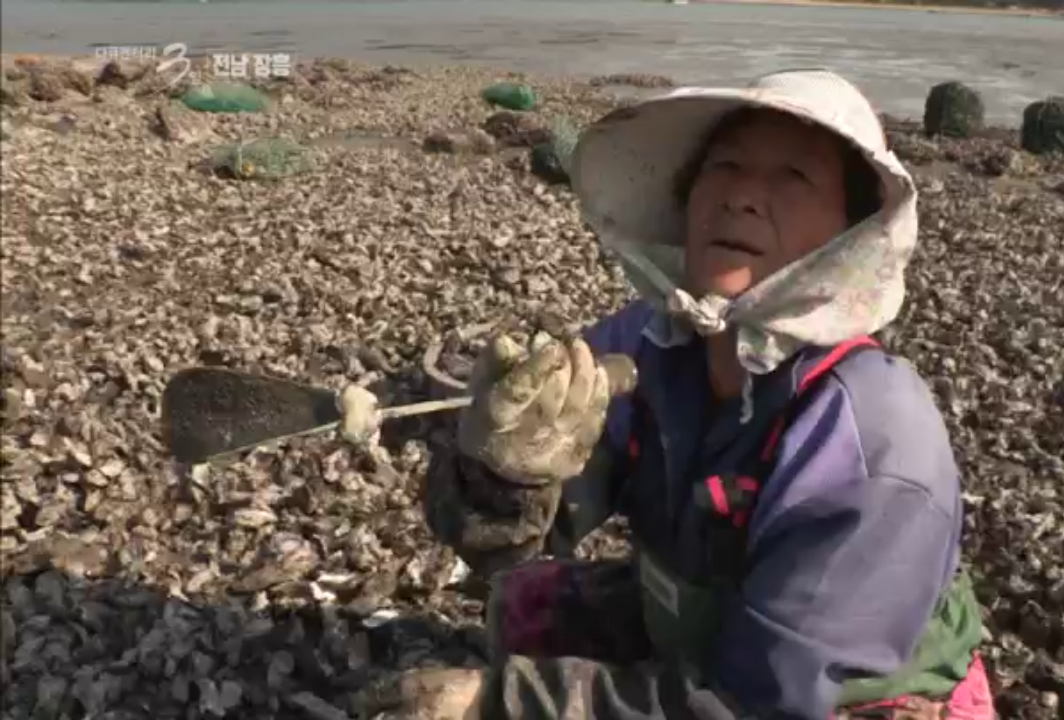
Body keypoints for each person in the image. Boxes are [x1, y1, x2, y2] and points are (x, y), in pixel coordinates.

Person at [357, 69, 995, 720]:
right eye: (724, 166)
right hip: (705, 612)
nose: (742, 194)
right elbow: (511, 542)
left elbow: (767, 703)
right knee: (524, 606)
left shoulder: (869, 438)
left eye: (794, 177)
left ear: (850, 237)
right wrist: (499, 471)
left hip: (833, 696)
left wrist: (500, 706)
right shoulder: (649, 341)